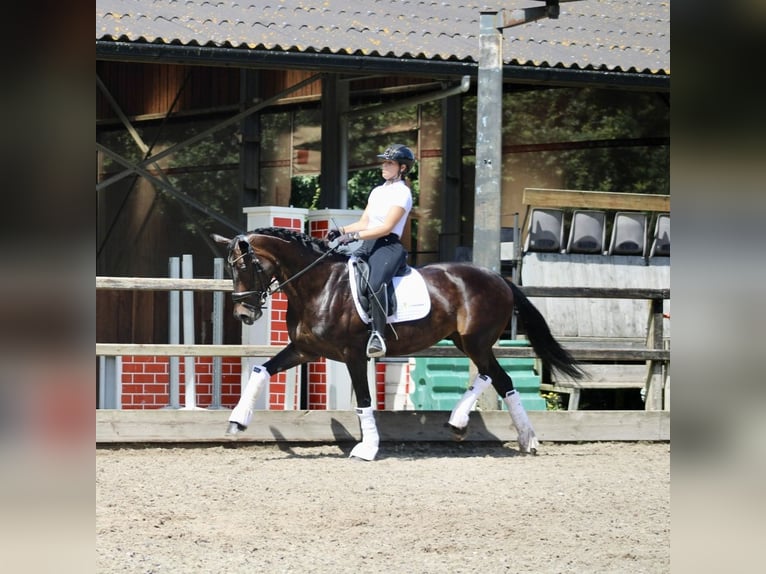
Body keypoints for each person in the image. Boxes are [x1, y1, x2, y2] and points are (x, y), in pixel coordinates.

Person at [327, 144, 415, 358]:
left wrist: (353, 237)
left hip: (388, 246)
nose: (384, 166)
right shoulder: (377, 191)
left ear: (402, 168)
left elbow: (385, 227)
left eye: (389, 163)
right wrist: (341, 230)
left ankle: (378, 335)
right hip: (369, 244)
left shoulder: (403, 193)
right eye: (384, 162)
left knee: (375, 284)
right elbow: (365, 221)